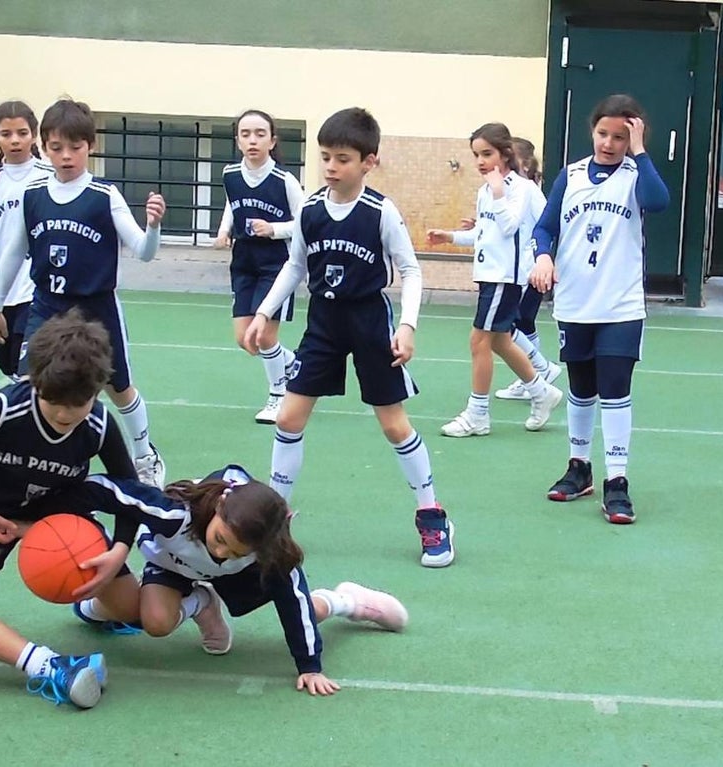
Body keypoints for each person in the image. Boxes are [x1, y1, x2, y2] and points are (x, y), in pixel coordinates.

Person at [244, 107, 455, 568]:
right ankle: (274, 522)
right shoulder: (311, 211)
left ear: (368, 161)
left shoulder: (380, 212)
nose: (332, 167)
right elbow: (295, 265)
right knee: (288, 418)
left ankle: (432, 515)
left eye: (342, 158)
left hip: (368, 321)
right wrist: (263, 311)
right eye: (326, 158)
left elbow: (412, 270)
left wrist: (407, 325)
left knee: (394, 425)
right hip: (323, 322)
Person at [0, 310, 142, 710]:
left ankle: (92, 609)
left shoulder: (98, 425)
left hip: (62, 524)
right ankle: (51, 666)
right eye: (53, 401)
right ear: (34, 381)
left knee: (139, 611)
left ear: (97, 392)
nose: (63, 415)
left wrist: (120, 549)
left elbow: (130, 491)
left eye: (78, 405)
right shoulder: (1, 409)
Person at [73, 465, 409, 696]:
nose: (220, 551)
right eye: (219, 539)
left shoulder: (267, 553)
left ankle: (347, 600)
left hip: (235, 578)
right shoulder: (175, 514)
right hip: (175, 566)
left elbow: (292, 604)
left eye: (234, 550)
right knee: (156, 623)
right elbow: (111, 490)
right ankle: (202, 604)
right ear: (219, 505)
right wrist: (57, 505)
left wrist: (310, 666)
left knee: (305, 610)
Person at [0, 98, 168, 485]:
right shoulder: (33, 196)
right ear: (45, 146)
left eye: (75, 147)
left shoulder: (104, 195)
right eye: (56, 148)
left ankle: (144, 456)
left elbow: (144, 252)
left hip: (96, 309)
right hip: (47, 308)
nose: (66, 156)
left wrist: (153, 226)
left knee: (118, 389)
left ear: (90, 145)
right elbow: (13, 252)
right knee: (28, 385)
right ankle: (24, 462)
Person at [530, 94, 670, 525]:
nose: (609, 143)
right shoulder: (570, 176)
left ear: (633, 138)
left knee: (615, 389)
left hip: (621, 303)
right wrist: (543, 255)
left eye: (621, 136)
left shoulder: (635, 175)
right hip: (575, 301)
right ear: (592, 131)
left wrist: (642, 151)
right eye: (603, 133)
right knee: (581, 386)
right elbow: (545, 225)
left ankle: (617, 481)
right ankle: (579, 468)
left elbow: (659, 201)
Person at [427, 123, 563, 438]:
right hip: (488, 275)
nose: (480, 161)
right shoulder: (484, 191)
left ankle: (478, 413)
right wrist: (450, 236)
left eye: (487, 153)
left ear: (505, 154)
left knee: (479, 341)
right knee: (501, 340)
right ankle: (541, 391)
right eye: (476, 155)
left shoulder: (521, 188)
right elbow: (485, 233)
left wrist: (499, 192)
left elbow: (509, 227)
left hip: (507, 278)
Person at [214, 110, 305, 424]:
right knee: (246, 339)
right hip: (243, 261)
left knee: (265, 336)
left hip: (277, 264)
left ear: (273, 140)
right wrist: (225, 229)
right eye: (246, 133)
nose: (253, 140)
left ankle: (278, 396)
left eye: (260, 133)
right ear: (238, 139)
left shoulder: (284, 181)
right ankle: (293, 363)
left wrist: (275, 229)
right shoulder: (230, 174)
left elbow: (306, 221)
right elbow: (232, 202)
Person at [0, 101, 53, 379]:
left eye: (22, 132)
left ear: (34, 135)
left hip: (36, 288)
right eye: (7, 134)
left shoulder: (48, 177)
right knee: (5, 361)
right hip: (4, 290)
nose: (15, 140)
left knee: (28, 365)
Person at [494, 136, 561, 402]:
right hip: (516, 269)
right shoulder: (508, 192)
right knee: (523, 322)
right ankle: (533, 375)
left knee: (505, 325)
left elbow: (546, 224)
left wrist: (542, 260)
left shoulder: (528, 191)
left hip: (529, 270)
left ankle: (540, 369)